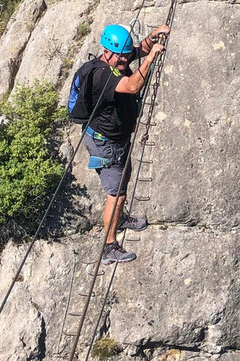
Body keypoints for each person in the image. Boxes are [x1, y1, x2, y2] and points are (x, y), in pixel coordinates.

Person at [68, 22, 169, 264]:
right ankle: (110, 246)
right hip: (105, 144)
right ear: (107, 52)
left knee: (123, 180)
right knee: (116, 194)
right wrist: (151, 59)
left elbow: (138, 50)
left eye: (126, 57)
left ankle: (120, 219)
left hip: (117, 140)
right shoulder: (103, 75)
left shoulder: (117, 59)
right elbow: (133, 85)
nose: (126, 61)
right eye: (122, 59)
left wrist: (152, 38)